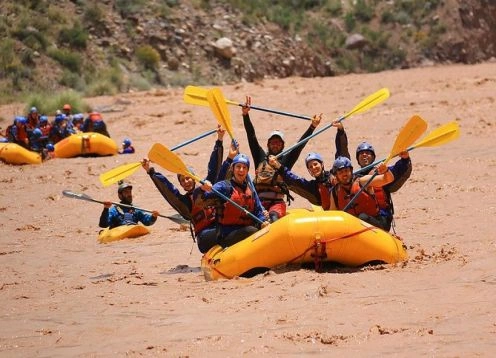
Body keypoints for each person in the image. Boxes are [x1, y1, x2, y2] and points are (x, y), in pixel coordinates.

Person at [143, 127, 226, 253]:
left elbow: (214, 167)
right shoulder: (184, 203)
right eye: (182, 180)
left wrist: (219, 140)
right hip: (204, 238)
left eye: (188, 178)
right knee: (227, 230)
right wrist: (150, 170)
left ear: (194, 179)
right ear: (181, 184)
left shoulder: (207, 187)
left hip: (219, 228)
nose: (186, 182)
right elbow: (168, 189)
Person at [241, 96, 322, 222]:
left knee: (273, 217)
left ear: (283, 146)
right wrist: (245, 115)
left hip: (276, 204)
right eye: (272, 142)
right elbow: (251, 137)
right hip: (258, 203)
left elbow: (299, 145)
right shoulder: (261, 157)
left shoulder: (285, 161)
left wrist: (312, 127)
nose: (275, 144)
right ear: (268, 144)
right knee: (255, 220)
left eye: (278, 142)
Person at [336, 126, 412, 231]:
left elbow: (400, 171)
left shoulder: (381, 172)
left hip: (381, 220)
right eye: (361, 154)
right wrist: (340, 132)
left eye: (368, 153)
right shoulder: (352, 177)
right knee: (358, 217)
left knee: (362, 217)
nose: (364, 155)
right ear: (357, 159)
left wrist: (405, 159)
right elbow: (342, 156)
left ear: (373, 157)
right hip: (358, 221)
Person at [201, 153, 270, 249]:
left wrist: (263, 221)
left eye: (244, 167)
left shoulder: (250, 189)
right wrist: (204, 188)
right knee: (252, 231)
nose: (241, 170)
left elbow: (258, 210)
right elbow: (205, 196)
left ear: (247, 171)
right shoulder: (224, 186)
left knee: (266, 225)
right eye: (238, 167)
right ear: (232, 169)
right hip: (227, 234)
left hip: (245, 229)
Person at [329, 156, 394, 230]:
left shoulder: (363, 181)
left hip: (376, 224)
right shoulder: (335, 192)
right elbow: (333, 215)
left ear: (351, 171)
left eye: (346, 170)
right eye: (340, 172)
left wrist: (386, 170)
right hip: (354, 228)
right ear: (336, 175)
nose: (344, 174)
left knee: (362, 217)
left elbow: (388, 179)